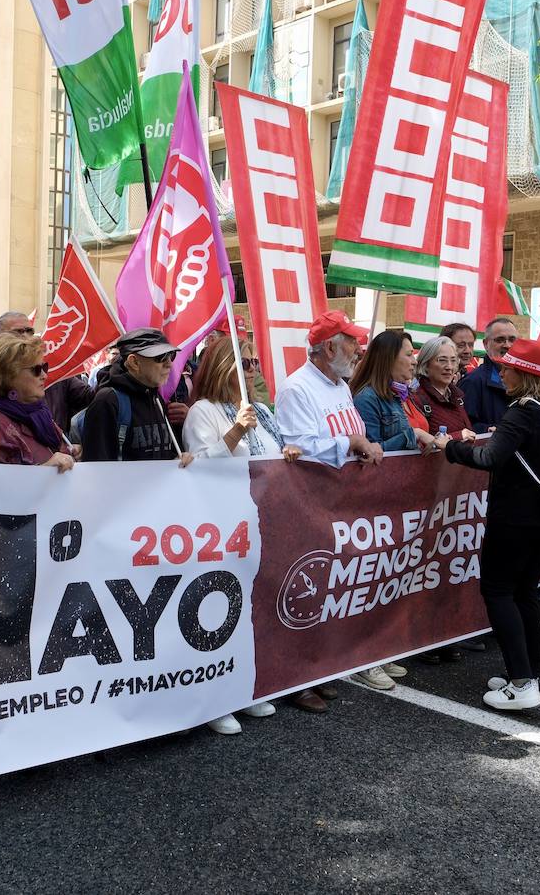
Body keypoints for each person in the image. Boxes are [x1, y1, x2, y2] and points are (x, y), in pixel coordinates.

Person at [436, 338, 540, 711]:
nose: (500, 372)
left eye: (506, 367)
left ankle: (522, 683)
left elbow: (489, 458)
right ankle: (529, 672)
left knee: (498, 592)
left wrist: (449, 446)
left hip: (515, 517)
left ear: (524, 373)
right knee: (526, 592)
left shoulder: (523, 411)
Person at [277, 310, 388, 706]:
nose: (359, 351)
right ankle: (295, 679)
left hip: (341, 503)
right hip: (311, 503)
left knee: (331, 589)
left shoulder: (340, 385)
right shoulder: (297, 389)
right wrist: (352, 446)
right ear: (329, 347)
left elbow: (352, 430)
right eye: (352, 343)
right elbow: (296, 446)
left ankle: (318, 667)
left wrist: (363, 444)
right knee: (305, 589)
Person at [182, 337, 291, 735]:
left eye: (254, 362)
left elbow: (274, 454)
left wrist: (289, 451)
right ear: (222, 366)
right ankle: (216, 699)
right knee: (219, 610)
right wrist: (232, 434)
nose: (250, 369)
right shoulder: (203, 412)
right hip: (222, 525)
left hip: (262, 520)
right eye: (242, 362)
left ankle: (244, 688)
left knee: (253, 608)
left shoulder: (261, 408)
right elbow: (199, 467)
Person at [80, 328, 193, 465]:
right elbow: (96, 467)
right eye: (160, 357)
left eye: (171, 355)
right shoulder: (108, 401)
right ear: (134, 362)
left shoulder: (155, 397)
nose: (169, 363)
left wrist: (178, 459)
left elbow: (163, 452)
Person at [0, 334, 77, 471]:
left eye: (44, 367)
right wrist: (45, 469)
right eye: (36, 370)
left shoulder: (39, 414)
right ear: (9, 376)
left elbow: (60, 453)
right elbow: (1, 485)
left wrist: (72, 452)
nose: (44, 375)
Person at [349, 329, 432, 455]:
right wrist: (414, 435)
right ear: (389, 358)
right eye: (409, 354)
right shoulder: (366, 399)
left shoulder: (406, 394)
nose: (414, 361)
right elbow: (369, 453)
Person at [409, 337, 476, 439]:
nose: (449, 367)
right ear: (426, 364)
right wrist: (458, 436)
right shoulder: (416, 399)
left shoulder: (457, 397)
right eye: (442, 360)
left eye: (453, 361)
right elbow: (420, 445)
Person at [461, 318, 520, 431]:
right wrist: (492, 430)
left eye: (512, 340)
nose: (507, 345)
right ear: (486, 344)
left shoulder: (527, 381)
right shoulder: (472, 382)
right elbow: (463, 427)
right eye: (500, 340)